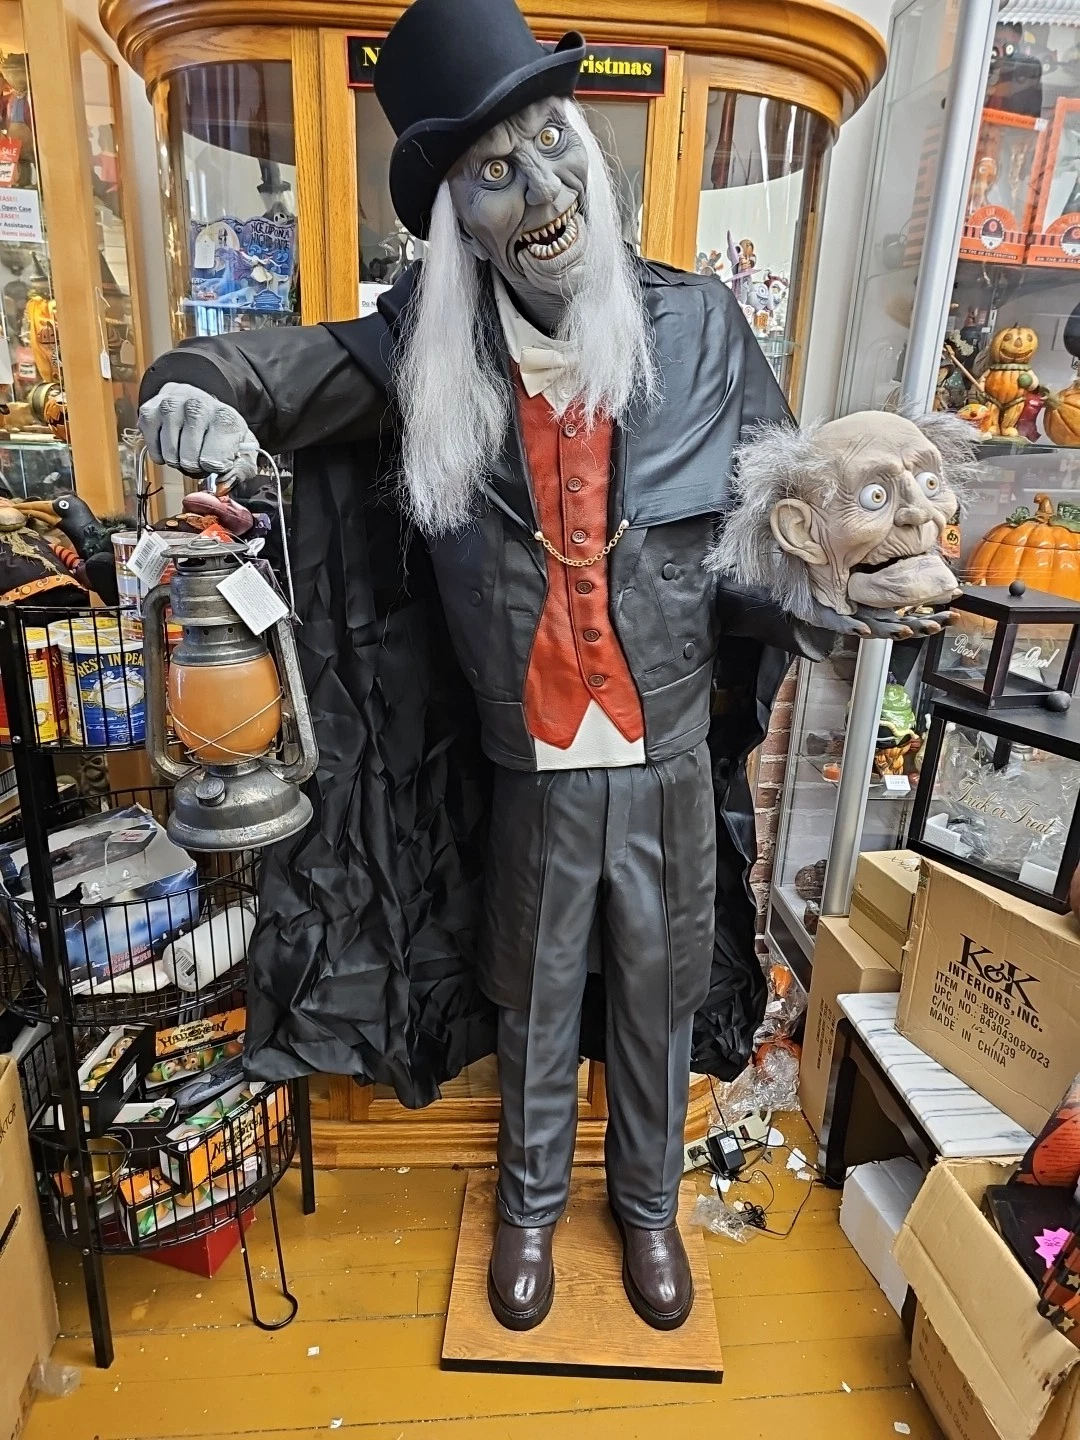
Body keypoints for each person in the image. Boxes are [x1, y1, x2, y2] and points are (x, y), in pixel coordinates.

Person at [138, 0, 943, 1333]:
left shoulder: (701, 330)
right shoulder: (421, 353)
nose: (544, 190)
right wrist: (192, 384)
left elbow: (776, 543)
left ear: (591, 147)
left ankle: (647, 1208)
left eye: (554, 144)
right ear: (460, 216)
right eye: (494, 172)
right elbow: (266, 372)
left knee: (659, 995)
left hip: (667, 763)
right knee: (531, 991)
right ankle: (526, 1209)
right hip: (529, 770)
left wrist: (841, 599)